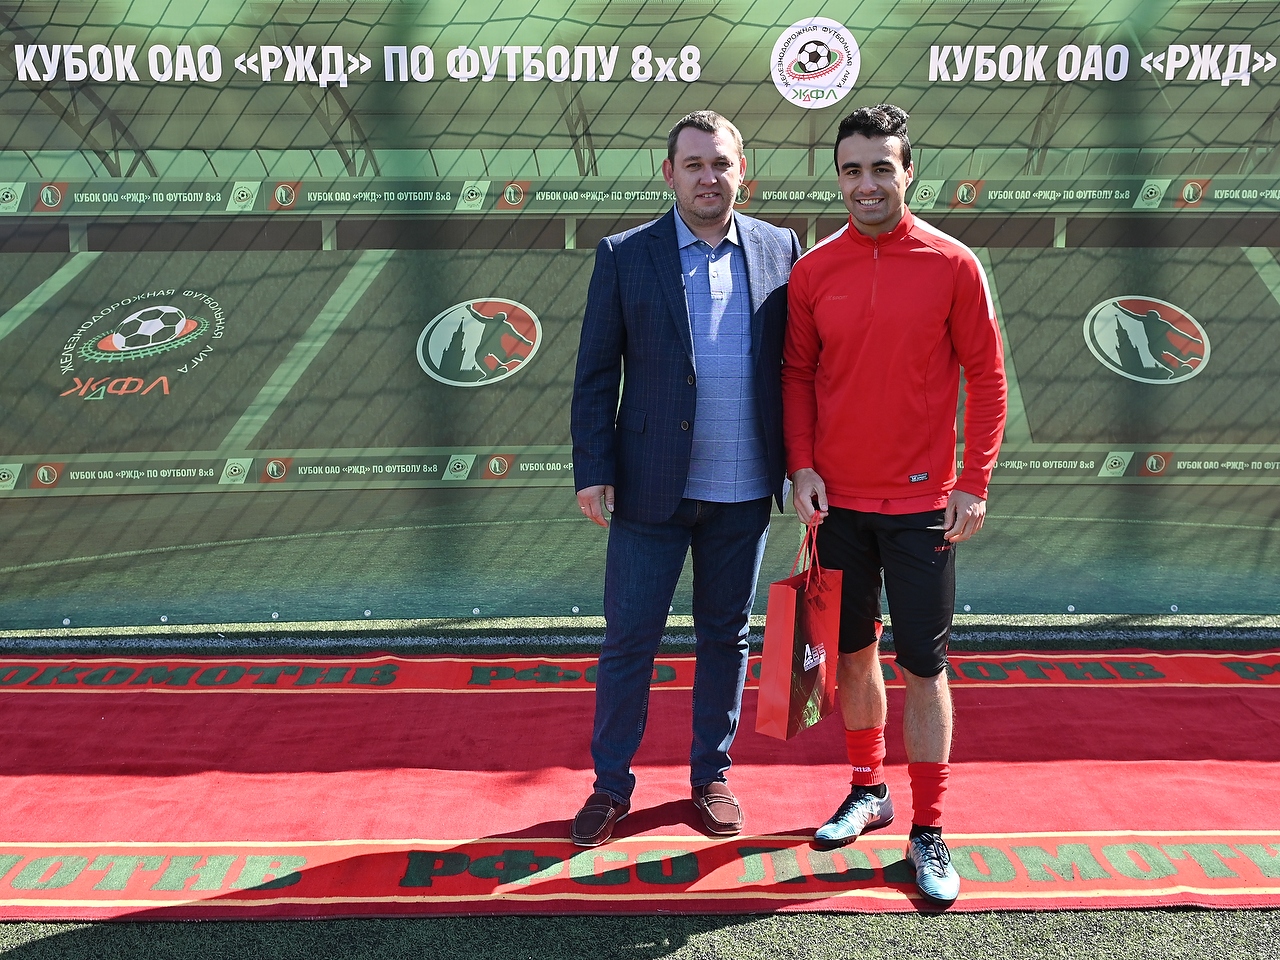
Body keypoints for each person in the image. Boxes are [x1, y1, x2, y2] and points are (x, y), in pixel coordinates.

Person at [781, 104, 1007, 903]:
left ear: (909, 172)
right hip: (838, 506)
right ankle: (867, 789)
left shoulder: (953, 264)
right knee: (851, 656)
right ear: (838, 177)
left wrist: (974, 481)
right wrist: (802, 466)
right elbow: (797, 375)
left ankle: (929, 828)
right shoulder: (814, 271)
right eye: (853, 170)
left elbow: (987, 378)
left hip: (922, 508)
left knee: (923, 666)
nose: (866, 184)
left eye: (882, 168)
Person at [570, 110, 803, 846]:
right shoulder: (624, 254)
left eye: (721, 163)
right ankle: (611, 786)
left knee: (726, 637)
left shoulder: (780, 247)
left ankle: (712, 776)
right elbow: (595, 373)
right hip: (649, 489)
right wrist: (593, 469)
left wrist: (802, 465)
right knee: (629, 641)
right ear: (668, 173)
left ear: (743, 171)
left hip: (744, 491)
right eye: (694, 164)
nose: (709, 177)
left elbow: (799, 370)